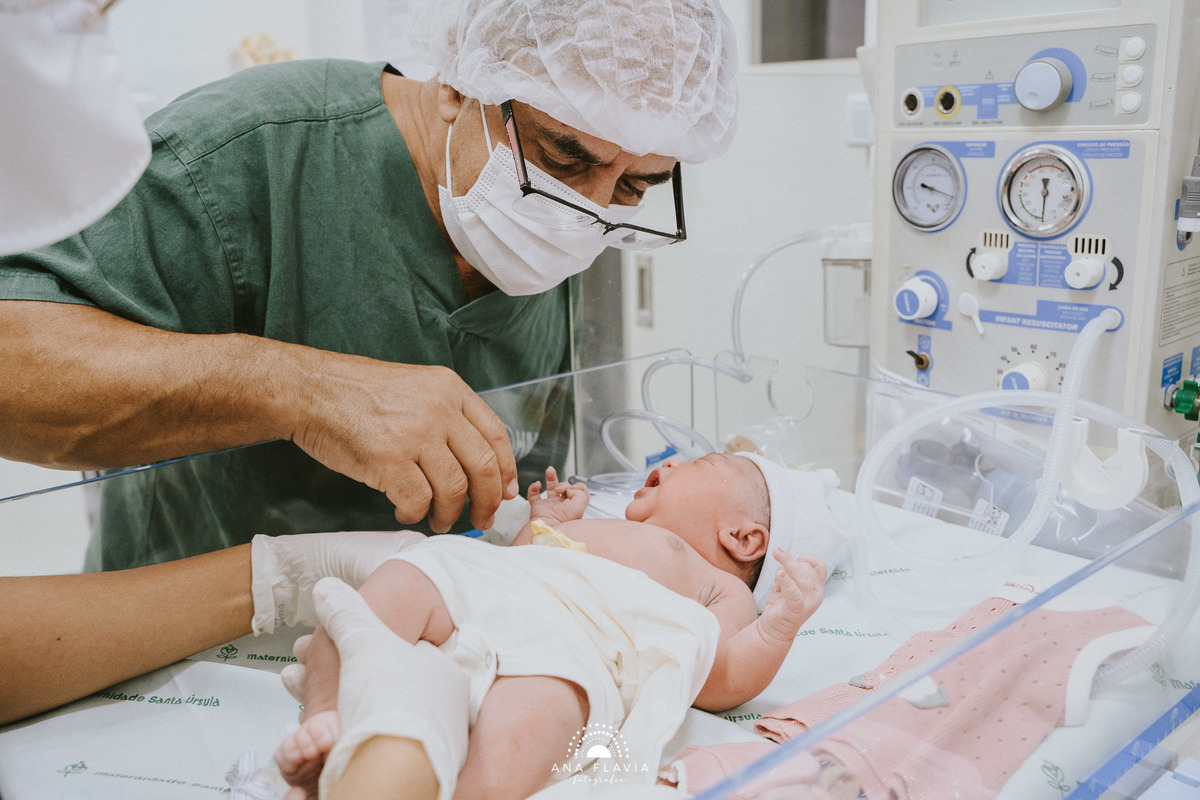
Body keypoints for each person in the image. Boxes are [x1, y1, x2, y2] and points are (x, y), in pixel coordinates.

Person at [0, 0, 739, 571]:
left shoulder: (552, 217)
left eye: (636, 185)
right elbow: (16, 365)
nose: (586, 214)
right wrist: (303, 390)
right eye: (562, 160)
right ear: (458, 84)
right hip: (197, 664)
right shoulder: (247, 155)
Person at [276, 453, 846, 800]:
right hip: (491, 586)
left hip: (571, 646)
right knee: (393, 585)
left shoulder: (718, 588)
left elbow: (719, 675)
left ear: (743, 538)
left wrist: (778, 628)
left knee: (528, 732)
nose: (672, 462)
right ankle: (327, 714)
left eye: (703, 464)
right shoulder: (599, 526)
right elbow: (525, 559)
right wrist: (547, 523)